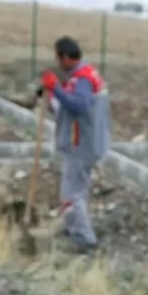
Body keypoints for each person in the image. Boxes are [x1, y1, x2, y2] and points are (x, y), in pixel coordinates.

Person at [39, 36, 111, 252]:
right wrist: (52, 95)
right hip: (87, 141)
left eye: (58, 58)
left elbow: (79, 105)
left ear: (66, 58)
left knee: (71, 194)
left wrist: (56, 88)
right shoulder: (86, 74)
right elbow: (69, 108)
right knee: (77, 189)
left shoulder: (83, 80)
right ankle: (74, 227)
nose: (57, 63)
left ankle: (85, 240)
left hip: (81, 144)